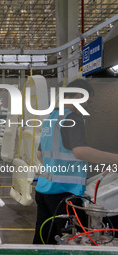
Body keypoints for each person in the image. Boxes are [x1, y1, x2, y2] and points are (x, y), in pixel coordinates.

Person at [33, 79, 118, 244]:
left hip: (44, 190)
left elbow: (40, 154)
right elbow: (80, 151)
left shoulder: (52, 118)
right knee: (72, 243)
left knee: (44, 241)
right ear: (80, 96)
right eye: (88, 101)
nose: (87, 106)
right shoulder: (73, 118)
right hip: (64, 194)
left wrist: (57, 169)